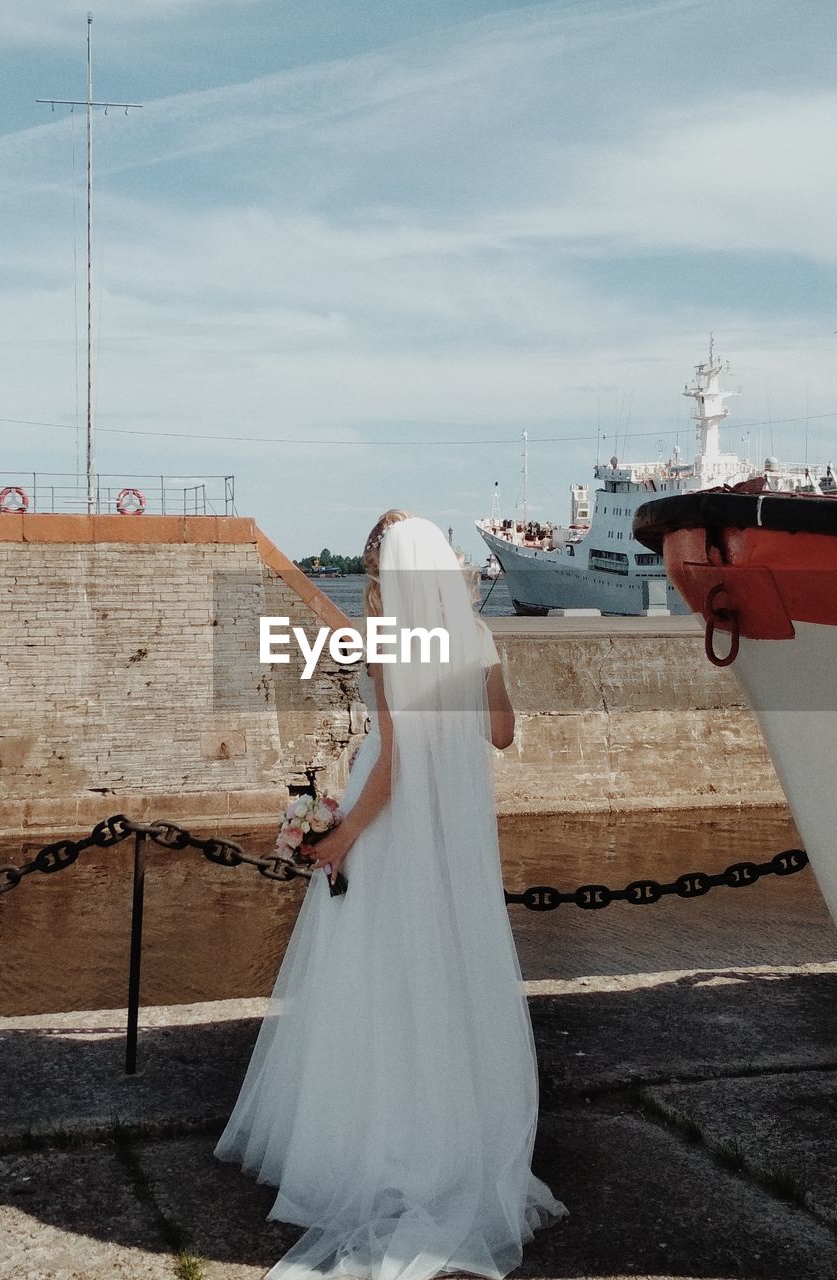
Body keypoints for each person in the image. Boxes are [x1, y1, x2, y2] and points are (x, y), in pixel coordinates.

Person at [215, 510, 567, 1280]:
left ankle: (367, 1145)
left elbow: (393, 763)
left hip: (393, 824)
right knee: (445, 971)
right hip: (450, 836)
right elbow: (501, 735)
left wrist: (338, 838)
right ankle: (455, 1140)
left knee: (377, 976)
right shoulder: (475, 637)